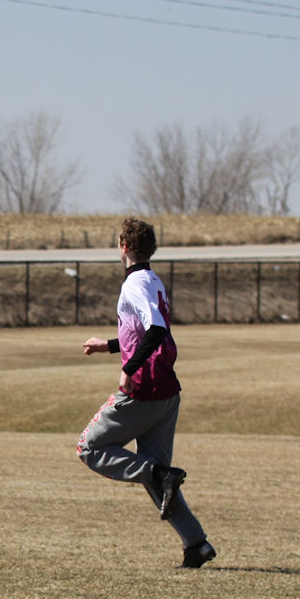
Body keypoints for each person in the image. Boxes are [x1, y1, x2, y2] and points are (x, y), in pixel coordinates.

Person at [76, 217, 216, 569]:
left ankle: (160, 476)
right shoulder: (153, 280)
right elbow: (143, 330)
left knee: (89, 448)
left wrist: (129, 368)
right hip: (167, 389)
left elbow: (155, 330)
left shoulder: (134, 284)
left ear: (123, 246)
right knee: (157, 476)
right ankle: (196, 544)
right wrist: (109, 345)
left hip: (144, 388)